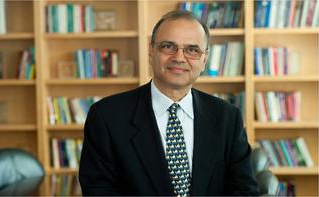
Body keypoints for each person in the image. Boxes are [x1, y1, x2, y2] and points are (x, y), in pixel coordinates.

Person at [79, 10, 259, 196]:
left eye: (192, 50)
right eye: (168, 46)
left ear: (204, 59)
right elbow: (99, 192)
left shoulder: (228, 118)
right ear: (151, 51)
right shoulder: (106, 117)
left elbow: (245, 190)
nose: (179, 57)